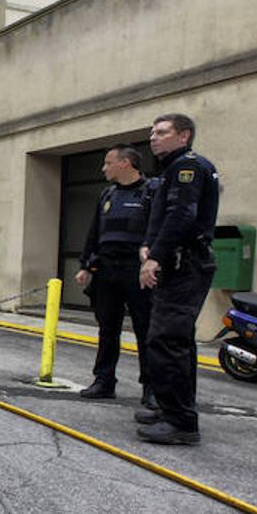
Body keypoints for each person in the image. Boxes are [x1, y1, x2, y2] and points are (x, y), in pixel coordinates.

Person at [136, 113, 219, 446]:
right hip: (179, 263)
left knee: (166, 340)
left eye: (161, 132)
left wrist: (155, 256)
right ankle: (171, 409)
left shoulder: (188, 167)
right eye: (152, 133)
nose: (153, 138)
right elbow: (164, 215)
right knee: (174, 340)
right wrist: (149, 245)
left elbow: (181, 215)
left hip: (184, 264)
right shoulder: (173, 168)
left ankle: (181, 422)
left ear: (183, 135)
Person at [75, 145, 157, 408]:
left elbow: (158, 230)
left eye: (108, 163)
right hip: (107, 269)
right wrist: (85, 265)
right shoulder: (107, 195)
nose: (103, 168)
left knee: (146, 330)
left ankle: (151, 387)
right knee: (107, 329)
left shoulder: (151, 192)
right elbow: (93, 232)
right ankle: (103, 381)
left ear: (125, 163)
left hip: (138, 271)